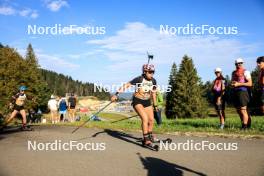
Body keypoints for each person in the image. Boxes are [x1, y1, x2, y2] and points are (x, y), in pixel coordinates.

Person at [111, 64, 158, 146]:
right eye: (150, 72)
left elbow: (153, 93)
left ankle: (150, 136)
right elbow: (127, 85)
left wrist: (155, 105)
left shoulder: (153, 81)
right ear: (145, 72)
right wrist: (116, 94)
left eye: (153, 72)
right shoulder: (139, 79)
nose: (152, 74)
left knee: (151, 120)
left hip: (147, 102)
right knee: (145, 119)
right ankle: (146, 139)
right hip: (138, 101)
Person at [231, 58, 252, 130]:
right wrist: (233, 84)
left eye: (240, 63)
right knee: (238, 110)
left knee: (243, 110)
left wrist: (239, 84)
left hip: (243, 91)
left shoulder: (246, 71)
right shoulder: (233, 72)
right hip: (235, 92)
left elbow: (250, 83)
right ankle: (243, 124)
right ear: (235, 64)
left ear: (242, 63)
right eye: (237, 63)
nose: (238, 64)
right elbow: (233, 82)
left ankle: (245, 127)